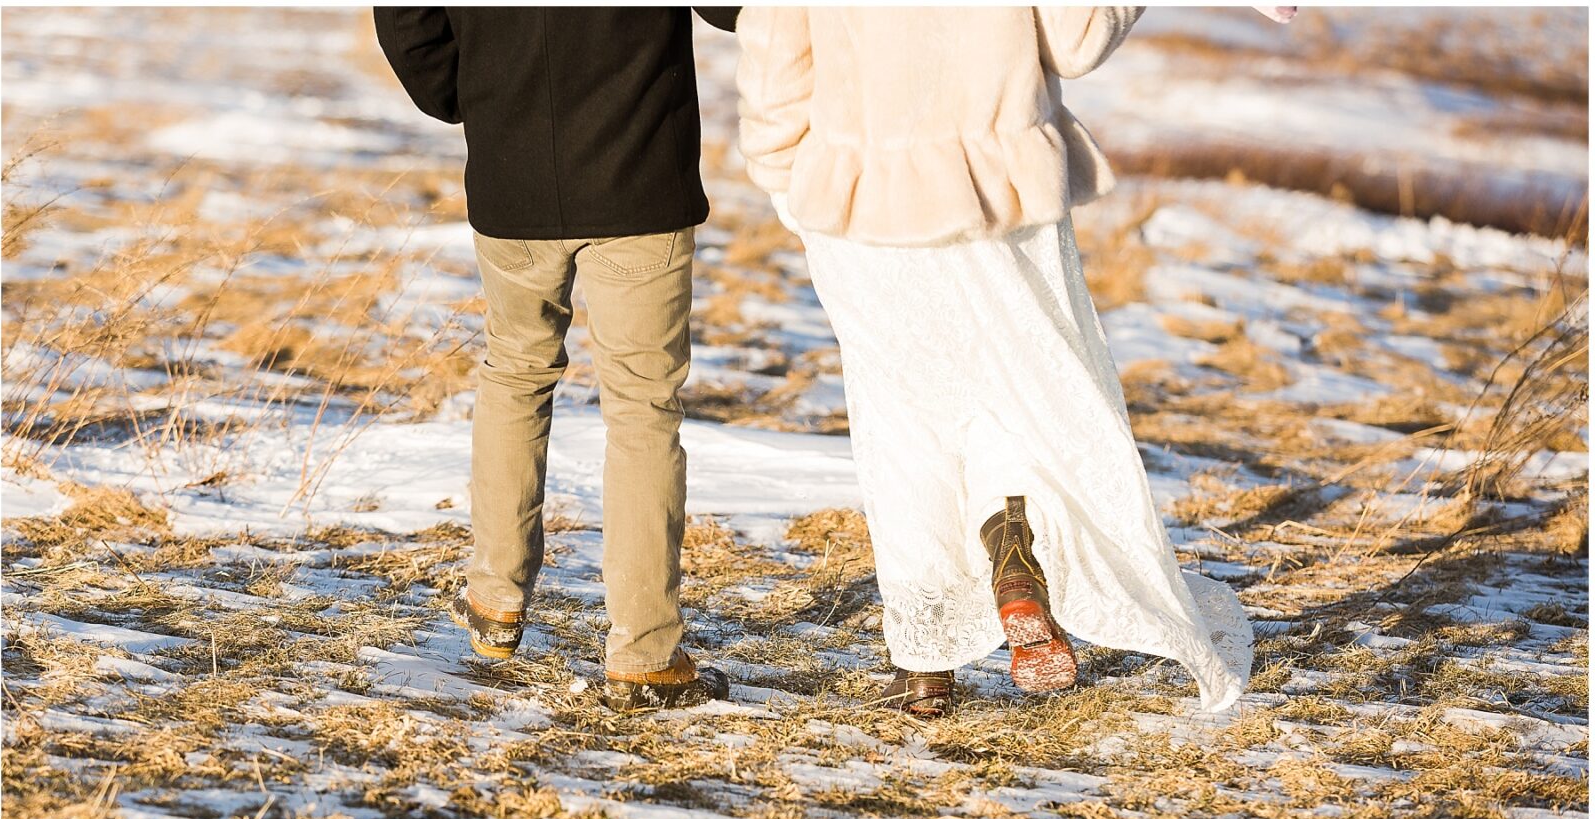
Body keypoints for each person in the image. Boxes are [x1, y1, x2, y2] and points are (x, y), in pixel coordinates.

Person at [737, 7, 1255, 715]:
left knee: (902, 419)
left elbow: (774, 63)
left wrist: (782, 175)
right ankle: (1013, 548)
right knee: (1017, 392)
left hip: (857, 190)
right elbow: (1076, 41)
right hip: (1005, 189)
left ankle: (923, 667)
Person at [374, 7, 740, 712]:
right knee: (643, 412)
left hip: (512, 169)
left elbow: (409, 23)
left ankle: (494, 600)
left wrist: (476, 91)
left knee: (513, 372)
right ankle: (646, 655)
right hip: (639, 175)